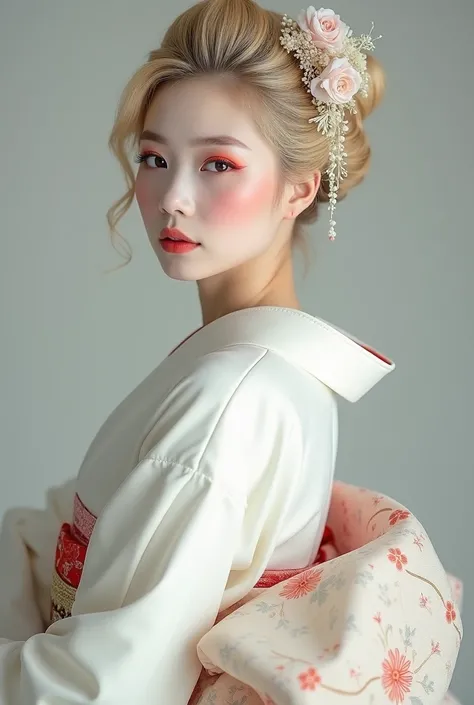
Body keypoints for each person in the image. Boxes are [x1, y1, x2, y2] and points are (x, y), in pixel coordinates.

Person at [0, 0, 409, 701]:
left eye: (218, 163)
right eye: (155, 158)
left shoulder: (232, 395)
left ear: (299, 188)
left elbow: (103, 686)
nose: (172, 198)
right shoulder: (266, 373)